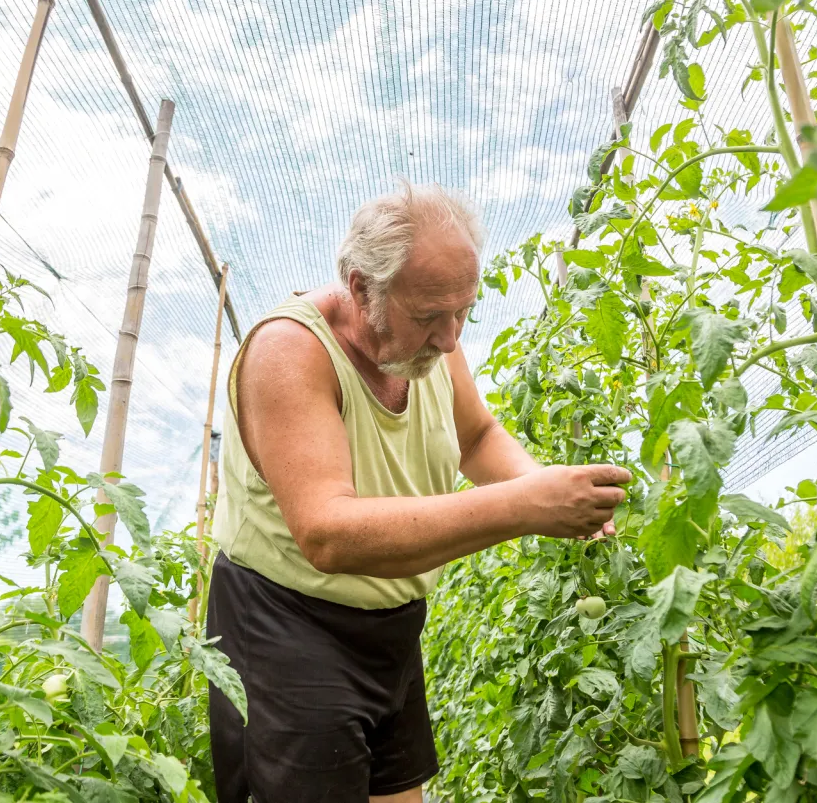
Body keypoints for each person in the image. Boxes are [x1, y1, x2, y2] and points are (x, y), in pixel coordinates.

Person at [206, 179, 631, 803]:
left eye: (464, 310)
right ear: (359, 288)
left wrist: (541, 483)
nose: (452, 338)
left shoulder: (431, 344)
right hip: (284, 627)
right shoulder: (288, 353)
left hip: (392, 627)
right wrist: (522, 508)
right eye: (431, 315)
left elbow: (478, 436)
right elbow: (327, 533)